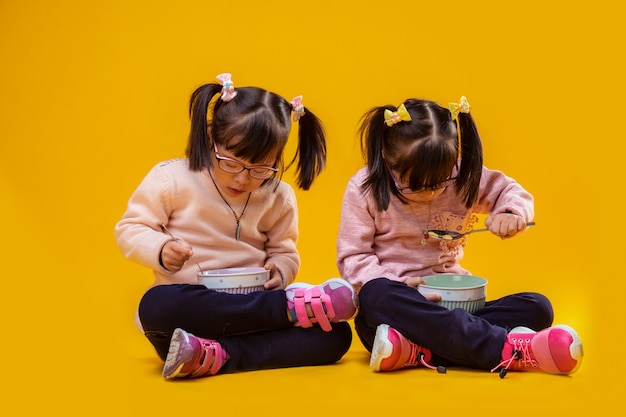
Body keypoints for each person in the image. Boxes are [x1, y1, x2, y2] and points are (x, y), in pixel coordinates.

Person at [115, 73, 357, 379]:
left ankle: (218, 356)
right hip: (195, 319)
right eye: (231, 163)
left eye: (260, 169)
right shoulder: (172, 179)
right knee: (156, 305)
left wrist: (280, 270)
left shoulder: (278, 196)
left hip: (253, 317)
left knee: (335, 337)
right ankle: (283, 312)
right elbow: (131, 228)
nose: (242, 179)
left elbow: (285, 251)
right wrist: (161, 249)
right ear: (209, 139)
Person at [336, 96, 583, 378]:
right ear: (386, 158)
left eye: (440, 182)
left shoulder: (461, 176)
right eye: (415, 185)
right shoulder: (365, 188)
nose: (430, 193)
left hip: (456, 307)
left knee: (537, 308)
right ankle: (506, 349)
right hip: (402, 309)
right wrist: (402, 286)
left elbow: (509, 191)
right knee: (374, 295)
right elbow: (353, 258)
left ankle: (417, 351)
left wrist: (511, 212)